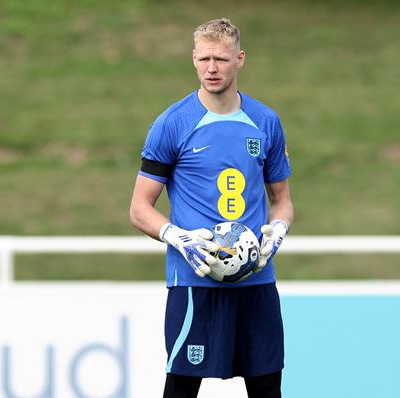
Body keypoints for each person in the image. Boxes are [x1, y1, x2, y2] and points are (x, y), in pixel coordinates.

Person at [129, 18, 294, 398]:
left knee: (268, 386)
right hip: (194, 282)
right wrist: (179, 238)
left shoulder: (265, 122)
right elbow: (140, 208)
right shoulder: (172, 123)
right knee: (182, 389)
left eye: (220, 58)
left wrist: (278, 231)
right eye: (203, 58)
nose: (211, 68)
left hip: (256, 280)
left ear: (240, 59)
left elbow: (282, 201)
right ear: (193, 59)